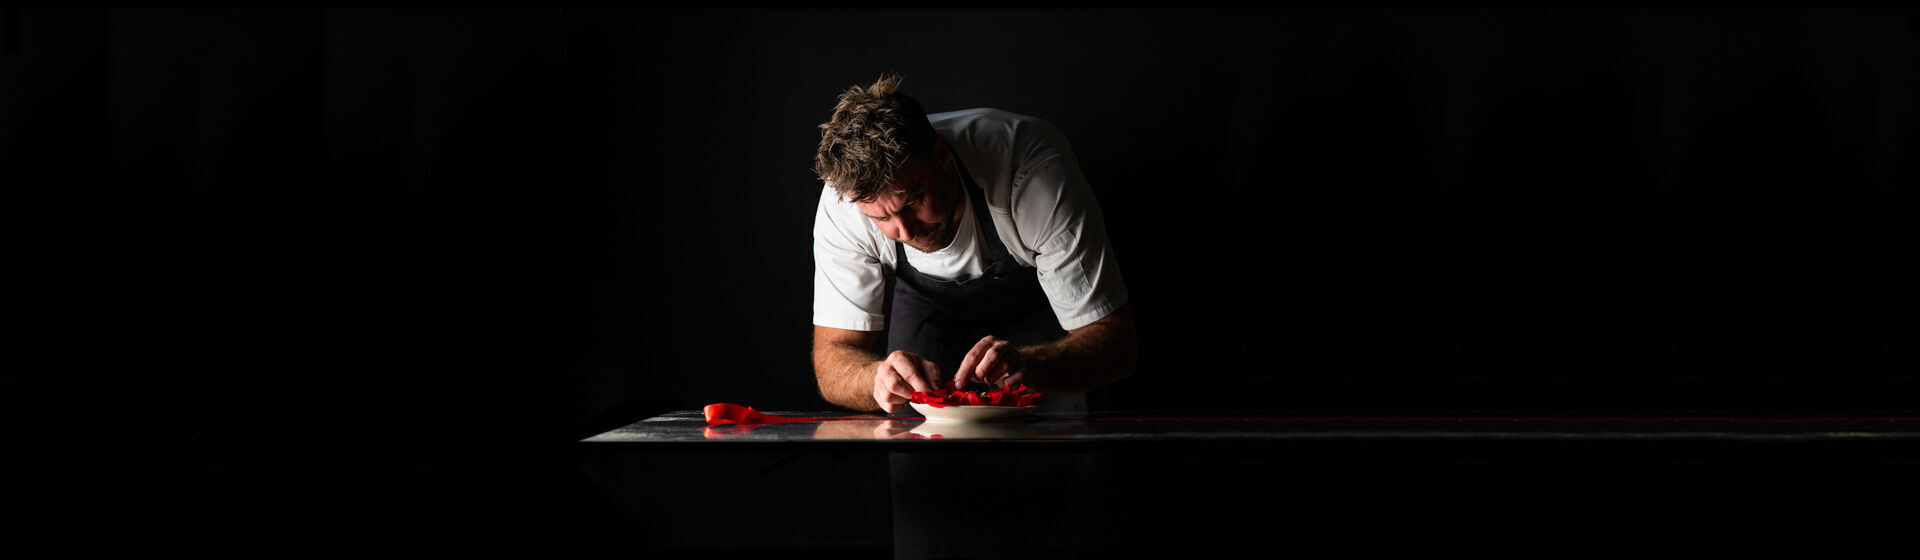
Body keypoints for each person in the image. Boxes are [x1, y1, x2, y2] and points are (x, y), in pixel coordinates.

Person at [810, 74, 1137, 415]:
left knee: (1069, 436)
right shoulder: (843, 204)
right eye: (880, 219)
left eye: (913, 202)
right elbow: (833, 358)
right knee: (913, 436)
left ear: (942, 156)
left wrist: (1033, 364)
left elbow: (1116, 344)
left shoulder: (1030, 169)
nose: (904, 232)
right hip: (928, 308)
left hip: (1044, 304)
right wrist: (874, 378)